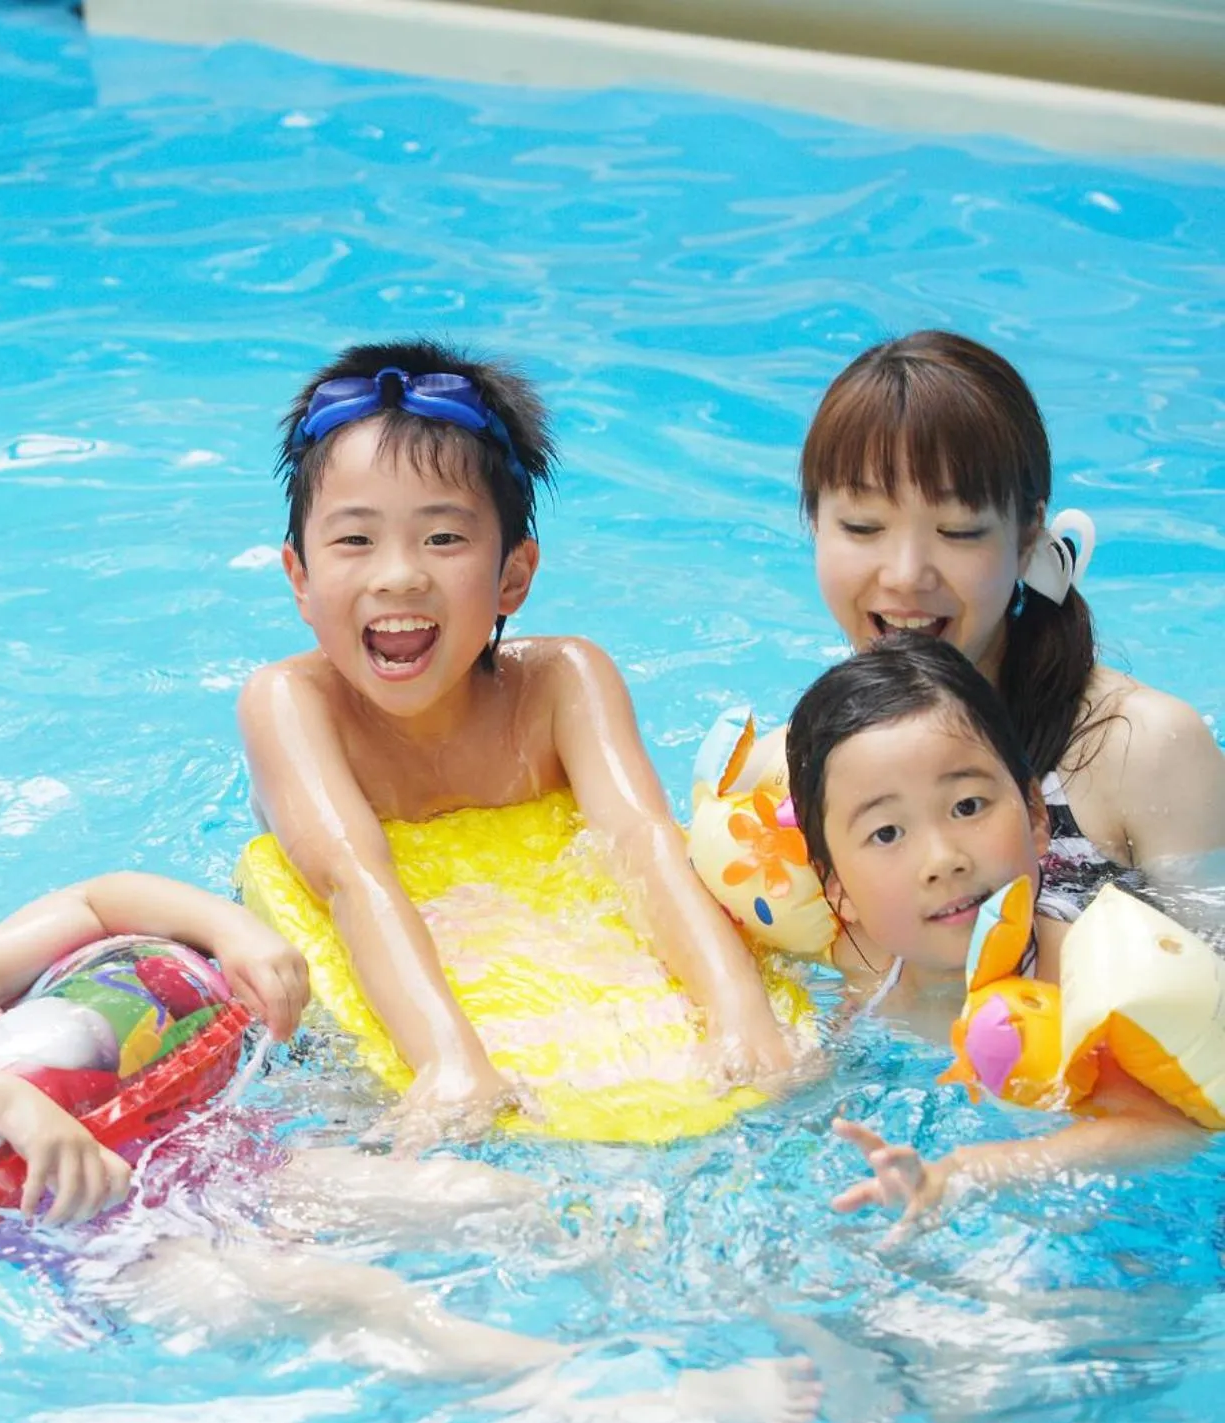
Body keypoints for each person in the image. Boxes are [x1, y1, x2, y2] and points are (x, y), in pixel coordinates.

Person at [0, 793, 821, 1423]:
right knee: (345, 1295)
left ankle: (700, 1293)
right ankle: (614, 1403)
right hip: (113, 1252)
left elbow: (100, 899)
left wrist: (235, 932)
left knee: (476, 1195)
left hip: (221, 1169)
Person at [238, 340, 796, 1139]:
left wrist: (741, 1018)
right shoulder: (292, 703)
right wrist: (448, 1060)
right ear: (299, 578)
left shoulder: (563, 684)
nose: (398, 575)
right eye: (355, 541)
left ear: (513, 577)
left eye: (443, 539)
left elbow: (643, 841)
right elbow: (354, 880)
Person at [783, 634, 1204, 1236]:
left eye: (967, 806)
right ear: (839, 891)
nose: (942, 859)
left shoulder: (1089, 979)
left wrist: (968, 1173)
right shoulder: (861, 973)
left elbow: (1168, 1130)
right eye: (887, 833)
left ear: (1035, 815)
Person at [798, 329, 1225, 911]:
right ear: (815, 527)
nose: (905, 575)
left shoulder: (1144, 751)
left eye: (957, 531)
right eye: (863, 527)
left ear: (1026, 538)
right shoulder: (806, 765)